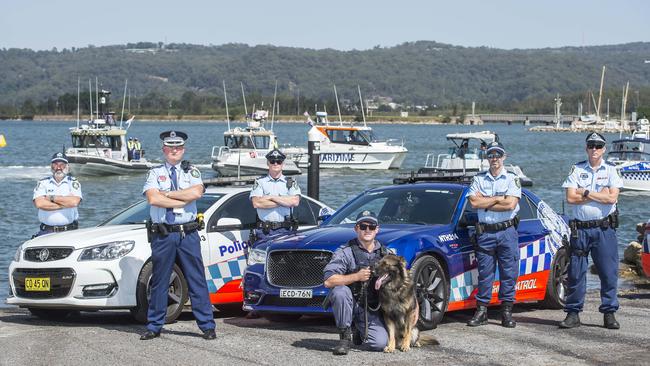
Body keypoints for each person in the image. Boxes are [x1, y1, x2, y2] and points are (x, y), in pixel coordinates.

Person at [140, 130, 216, 341]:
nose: (175, 150)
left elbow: (196, 193)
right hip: (163, 235)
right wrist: (181, 199)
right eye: (171, 147)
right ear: (164, 149)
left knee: (196, 279)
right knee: (160, 281)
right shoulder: (154, 173)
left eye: (179, 147)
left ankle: (207, 326)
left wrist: (167, 194)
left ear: (183, 149)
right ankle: (154, 326)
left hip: (187, 234)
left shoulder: (191, 171)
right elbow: (153, 199)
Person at [560, 132, 623, 330]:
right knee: (576, 272)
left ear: (604, 149)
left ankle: (609, 313)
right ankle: (573, 313)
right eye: (591, 145)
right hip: (580, 230)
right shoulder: (577, 169)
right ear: (586, 148)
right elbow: (570, 198)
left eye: (598, 145)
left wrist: (585, 192)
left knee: (608, 272)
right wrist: (599, 195)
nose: (594, 149)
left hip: (604, 229)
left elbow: (612, 199)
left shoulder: (612, 170)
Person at [466, 141, 521, 328]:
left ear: (504, 157)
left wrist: (486, 200)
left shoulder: (512, 178)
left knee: (509, 274)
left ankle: (506, 312)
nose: (494, 158)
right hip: (486, 234)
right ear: (487, 158)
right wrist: (499, 197)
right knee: (485, 274)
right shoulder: (478, 179)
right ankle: (482, 312)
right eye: (491, 155)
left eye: (498, 155)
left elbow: (511, 204)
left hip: (507, 231)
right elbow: (473, 203)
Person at [323, 211, 389, 355]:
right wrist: (356, 277)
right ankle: (345, 338)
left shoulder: (386, 254)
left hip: (371, 307)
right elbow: (328, 281)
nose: (367, 230)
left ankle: (359, 329)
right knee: (339, 291)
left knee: (380, 344)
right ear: (356, 229)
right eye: (363, 226)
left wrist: (413, 304)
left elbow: (402, 279)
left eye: (371, 226)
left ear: (377, 229)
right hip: (351, 302)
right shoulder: (345, 252)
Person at [250, 148, 301, 243]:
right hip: (265, 231)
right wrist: (285, 201)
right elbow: (256, 203)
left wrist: (271, 197)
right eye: (272, 161)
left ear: (283, 164)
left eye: (279, 161)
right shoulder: (260, 182)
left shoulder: (290, 182)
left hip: (285, 231)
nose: (275, 164)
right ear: (268, 163)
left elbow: (295, 202)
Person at [32, 152, 82, 237]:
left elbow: (74, 202)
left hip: (69, 232)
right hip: (46, 231)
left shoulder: (73, 182)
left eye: (62, 165)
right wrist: (65, 203)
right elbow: (39, 203)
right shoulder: (43, 183)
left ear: (67, 167)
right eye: (55, 165)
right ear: (51, 166)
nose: (58, 168)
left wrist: (51, 198)